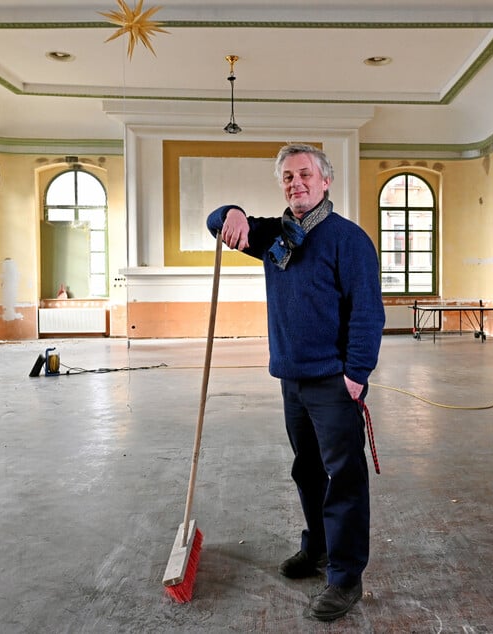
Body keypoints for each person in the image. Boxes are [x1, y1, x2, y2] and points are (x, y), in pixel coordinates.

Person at [206, 143, 385, 622]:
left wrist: (356, 375)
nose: (295, 183)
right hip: (292, 380)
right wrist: (235, 212)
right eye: (287, 177)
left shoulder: (349, 240)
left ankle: (345, 577)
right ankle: (319, 549)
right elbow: (215, 221)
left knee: (344, 477)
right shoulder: (273, 236)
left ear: (326, 181)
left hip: (334, 382)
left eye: (305, 174)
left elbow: (368, 311)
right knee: (307, 470)